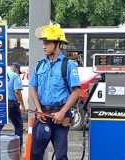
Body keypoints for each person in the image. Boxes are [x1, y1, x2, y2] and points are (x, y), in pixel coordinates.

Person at [29, 24, 81, 159]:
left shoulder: (68, 65)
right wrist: (39, 109)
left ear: (57, 44)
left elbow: (76, 91)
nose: (43, 46)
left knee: (61, 155)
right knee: (35, 154)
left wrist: (62, 112)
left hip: (61, 114)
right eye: (43, 43)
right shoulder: (40, 64)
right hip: (42, 114)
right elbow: (33, 87)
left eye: (47, 43)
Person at [8, 61, 26, 151]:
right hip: (12, 104)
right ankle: (18, 148)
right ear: (17, 68)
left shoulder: (3, 74)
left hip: (2, 102)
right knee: (19, 126)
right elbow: (17, 92)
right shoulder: (16, 76)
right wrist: (22, 105)